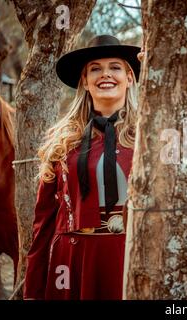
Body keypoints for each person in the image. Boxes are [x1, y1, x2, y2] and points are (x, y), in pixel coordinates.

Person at [23, 35, 141, 300]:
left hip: (129, 255)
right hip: (73, 258)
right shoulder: (62, 143)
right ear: (85, 82)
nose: (105, 74)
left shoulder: (149, 137)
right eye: (95, 69)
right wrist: (32, 288)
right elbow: (43, 222)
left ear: (129, 77)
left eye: (115, 67)